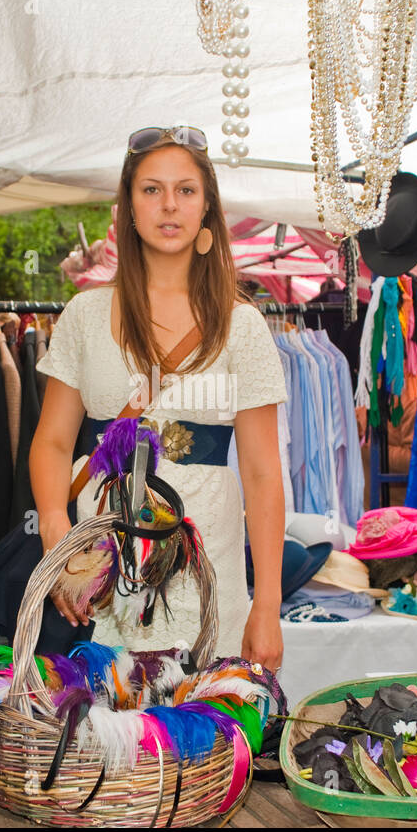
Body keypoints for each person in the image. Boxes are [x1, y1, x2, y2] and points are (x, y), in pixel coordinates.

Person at [30, 125, 288, 668]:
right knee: (109, 737)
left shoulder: (242, 327)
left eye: (185, 190)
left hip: (207, 568)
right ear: (126, 208)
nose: (169, 205)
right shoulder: (84, 317)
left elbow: (264, 474)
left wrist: (267, 605)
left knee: (203, 740)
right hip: (103, 567)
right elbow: (52, 441)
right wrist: (56, 532)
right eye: (151, 190)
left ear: (206, 209)